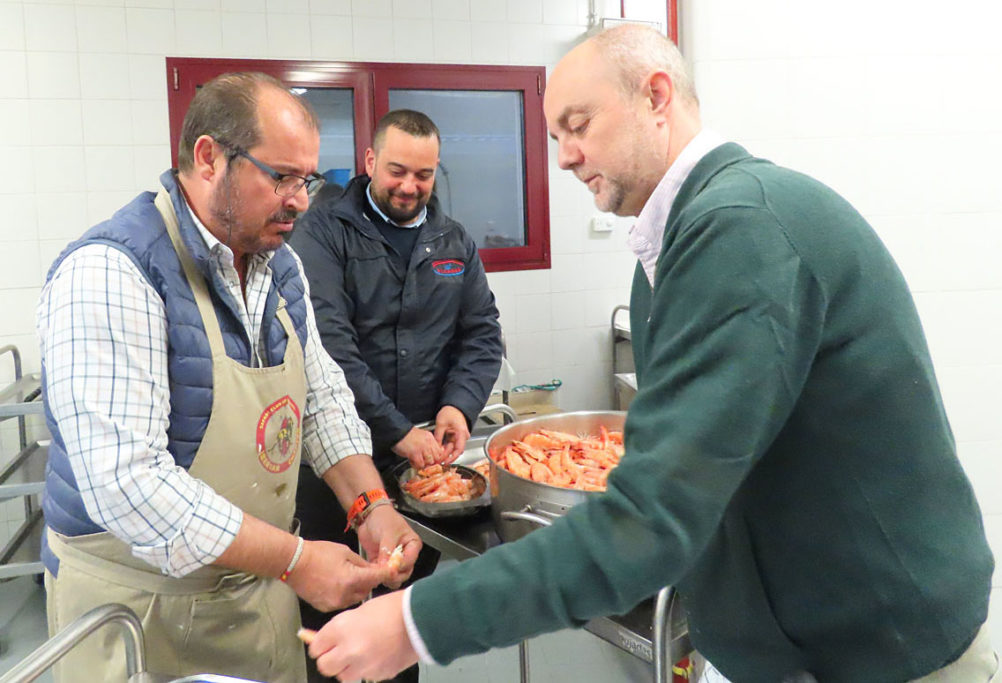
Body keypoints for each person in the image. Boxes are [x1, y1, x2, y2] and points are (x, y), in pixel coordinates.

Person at [303, 24, 998, 683]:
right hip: (778, 639)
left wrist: (418, 620)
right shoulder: (662, 251)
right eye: (554, 136)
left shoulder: (746, 228)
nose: (564, 156)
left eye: (578, 126)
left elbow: (651, 515)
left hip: (884, 646)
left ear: (656, 97)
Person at [36, 71, 421, 683]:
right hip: (141, 618)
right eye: (281, 178)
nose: (300, 199)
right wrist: (296, 560)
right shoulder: (113, 273)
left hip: (252, 602)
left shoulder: (279, 265)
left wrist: (371, 505)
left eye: (308, 180)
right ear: (209, 157)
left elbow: (320, 399)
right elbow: (129, 485)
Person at [288, 109, 503, 682]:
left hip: (422, 470)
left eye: (424, 174)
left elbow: (481, 333)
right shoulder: (324, 230)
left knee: (398, 616)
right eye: (398, 170)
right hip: (337, 460)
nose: (410, 186)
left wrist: (458, 405)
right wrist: (397, 430)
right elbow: (330, 348)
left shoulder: (451, 239)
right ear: (369, 162)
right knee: (328, 620)